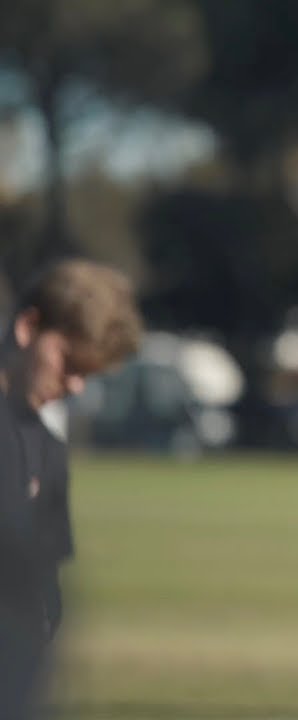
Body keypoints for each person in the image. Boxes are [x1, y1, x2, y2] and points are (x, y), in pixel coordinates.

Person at [1, 258, 144, 719]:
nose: (76, 386)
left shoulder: (49, 451)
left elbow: (48, 593)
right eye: (69, 363)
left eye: (89, 374)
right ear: (28, 327)